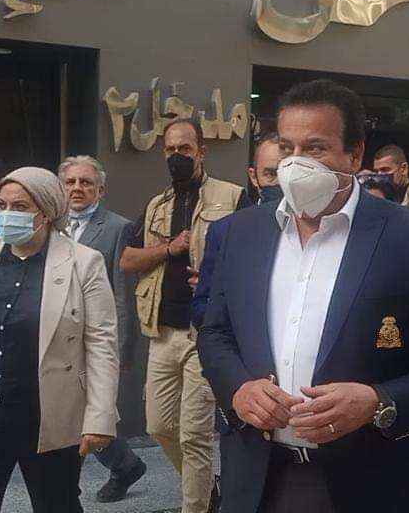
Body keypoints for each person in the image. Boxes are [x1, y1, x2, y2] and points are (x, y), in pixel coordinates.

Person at [197, 78, 409, 513]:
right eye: (286, 148)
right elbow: (215, 332)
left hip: (369, 480)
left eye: (315, 148)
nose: (296, 163)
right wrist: (237, 388)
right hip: (258, 476)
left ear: (355, 154)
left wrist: (378, 401)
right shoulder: (239, 233)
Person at [0, 167, 119, 513]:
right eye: (3, 206)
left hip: (49, 416)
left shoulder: (83, 263)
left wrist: (99, 417)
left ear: (47, 212)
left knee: (57, 504)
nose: (8, 214)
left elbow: (102, 344)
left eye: (21, 207)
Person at [120, 119, 248, 513]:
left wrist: (214, 278)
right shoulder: (156, 205)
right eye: (171, 149)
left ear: (201, 152)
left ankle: (196, 506)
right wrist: (170, 248)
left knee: (195, 434)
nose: (177, 156)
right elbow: (128, 260)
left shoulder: (233, 197)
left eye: (185, 149)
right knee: (159, 426)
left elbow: (252, 260)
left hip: (204, 332)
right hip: (162, 332)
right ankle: (206, 488)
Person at [58, 155, 147, 503]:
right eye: (70, 182)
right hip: (56, 339)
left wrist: (122, 348)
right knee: (77, 413)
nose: (77, 188)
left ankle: (66, 490)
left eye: (86, 182)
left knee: (83, 413)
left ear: (100, 190)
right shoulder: (50, 225)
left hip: (93, 338)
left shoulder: (118, 228)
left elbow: (122, 294)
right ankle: (126, 464)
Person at [191, 133, 283, 328]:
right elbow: (202, 308)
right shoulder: (226, 232)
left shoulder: (321, 230)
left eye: (286, 173)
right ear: (253, 176)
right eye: (270, 174)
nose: (279, 183)